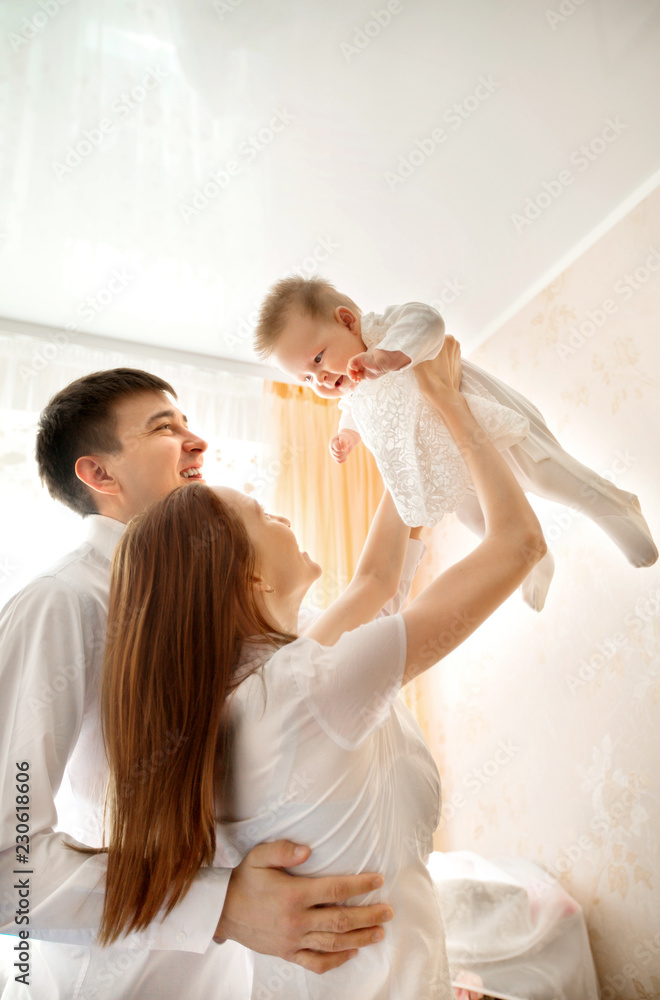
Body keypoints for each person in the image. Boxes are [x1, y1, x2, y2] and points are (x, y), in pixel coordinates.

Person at [92, 339, 548, 999]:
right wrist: (450, 405)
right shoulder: (305, 689)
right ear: (245, 575)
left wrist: (403, 427)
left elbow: (375, 580)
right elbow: (517, 545)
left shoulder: (258, 690)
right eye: (263, 515)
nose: (282, 516)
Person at [0, 368, 394, 1000]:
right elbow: (6, 863)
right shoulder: (60, 604)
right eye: (164, 428)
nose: (197, 442)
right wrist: (221, 906)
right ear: (99, 475)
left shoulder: (223, 603)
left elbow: (369, 606)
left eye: (188, 423)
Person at [253, 276, 658, 612]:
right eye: (306, 379)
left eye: (318, 359)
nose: (319, 380)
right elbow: (357, 410)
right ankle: (533, 561)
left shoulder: (384, 331)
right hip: (444, 459)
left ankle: (615, 504)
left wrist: (390, 355)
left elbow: (427, 322)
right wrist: (346, 434)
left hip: (483, 417)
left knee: (548, 477)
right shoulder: (353, 390)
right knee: (478, 519)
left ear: (346, 321)